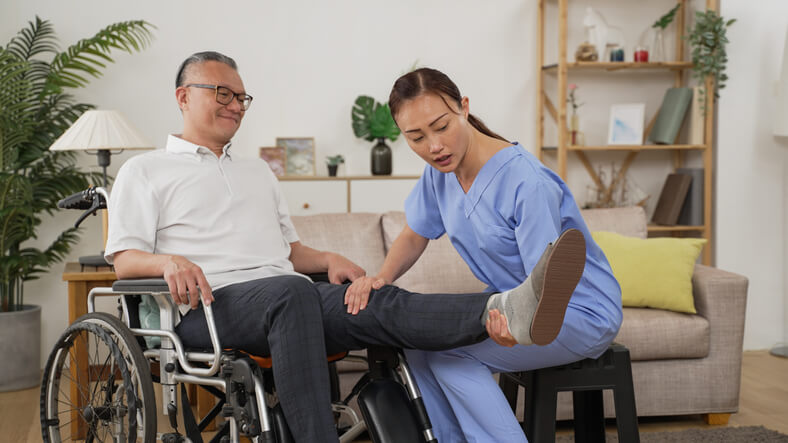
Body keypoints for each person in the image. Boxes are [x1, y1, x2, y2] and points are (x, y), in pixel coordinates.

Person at [105, 52, 584, 443]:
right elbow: (125, 260)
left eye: (241, 97)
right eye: (222, 93)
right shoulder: (144, 171)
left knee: (374, 298)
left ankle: (504, 309)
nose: (235, 104)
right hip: (209, 308)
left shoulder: (257, 172)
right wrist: (169, 260)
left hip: (282, 299)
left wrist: (330, 260)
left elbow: (289, 253)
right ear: (183, 97)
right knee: (290, 293)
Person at [343, 67, 623, 442]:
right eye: (416, 137)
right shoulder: (440, 172)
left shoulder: (526, 181)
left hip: (575, 309)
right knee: (419, 342)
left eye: (441, 127)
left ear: (463, 108)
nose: (433, 146)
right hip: (513, 304)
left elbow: (542, 282)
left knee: (452, 355)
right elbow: (415, 233)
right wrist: (381, 277)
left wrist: (519, 320)